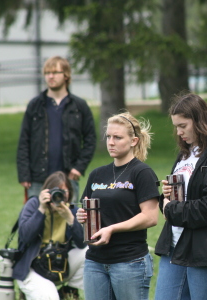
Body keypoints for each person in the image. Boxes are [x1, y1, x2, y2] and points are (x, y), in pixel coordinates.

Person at [76, 112, 159, 300]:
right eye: (108, 137)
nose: (111, 142)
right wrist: (82, 217)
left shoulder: (142, 173)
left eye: (117, 137)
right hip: (95, 261)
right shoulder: (97, 174)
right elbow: (89, 211)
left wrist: (112, 229)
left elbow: (151, 217)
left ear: (133, 141)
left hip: (129, 262)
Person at [154, 93, 207, 300]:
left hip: (205, 248)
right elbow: (181, 197)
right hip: (174, 244)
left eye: (183, 126)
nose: (178, 132)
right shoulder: (185, 153)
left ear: (199, 121)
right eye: (176, 127)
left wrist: (170, 209)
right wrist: (166, 196)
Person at [17, 56, 96, 203]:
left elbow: (91, 139)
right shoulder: (35, 105)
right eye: (47, 73)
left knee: (69, 222)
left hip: (68, 179)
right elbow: (24, 141)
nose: (50, 76)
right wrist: (24, 175)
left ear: (66, 75)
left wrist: (79, 168)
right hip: (37, 179)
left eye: (55, 72)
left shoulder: (79, 106)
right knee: (36, 222)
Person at [13, 171, 86, 300]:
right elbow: (25, 237)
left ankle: (68, 290)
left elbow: (81, 243)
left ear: (69, 193)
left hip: (59, 265)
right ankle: (31, 291)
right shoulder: (34, 205)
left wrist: (70, 219)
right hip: (33, 267)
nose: (59, 196)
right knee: (49, 297)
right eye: (56, 191)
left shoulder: (71, 210)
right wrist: (41, 209)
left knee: (89, 252)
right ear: (46, 192)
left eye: (64, 191)